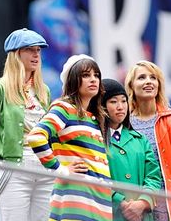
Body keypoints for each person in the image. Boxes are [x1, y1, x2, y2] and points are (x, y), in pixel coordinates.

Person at [0, 28, 54, 221]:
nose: (36, 54)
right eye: (30, 49)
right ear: (16, 54)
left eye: (38, 50)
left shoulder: (43, 90)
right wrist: (1, 168)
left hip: (46, 169)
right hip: (15, 168)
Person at [27, 54, 112, 221]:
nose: (93, 79)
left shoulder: (94, 118)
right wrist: (60, 170)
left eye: (96, 75)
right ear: (73, 80)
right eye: (86, 75)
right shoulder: (64, 107)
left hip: (98, 205)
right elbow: (36, 137)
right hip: (75, 202)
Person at [124, 60, 171, 221]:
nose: (148, 81)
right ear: (131, 86)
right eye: (141, 77)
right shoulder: (123, 123)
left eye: (153, 78)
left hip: (170, 205)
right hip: (135, 206)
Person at [102, 78, 161, 221]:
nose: (120, 106)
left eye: (123, 101)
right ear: (101, 106)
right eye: (113, 101)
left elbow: (154, 177)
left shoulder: (140, 140)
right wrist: (119, 202)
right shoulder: (94, 138)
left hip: (143, 216)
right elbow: (94, 178)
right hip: (109, 215)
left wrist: (142, 203)